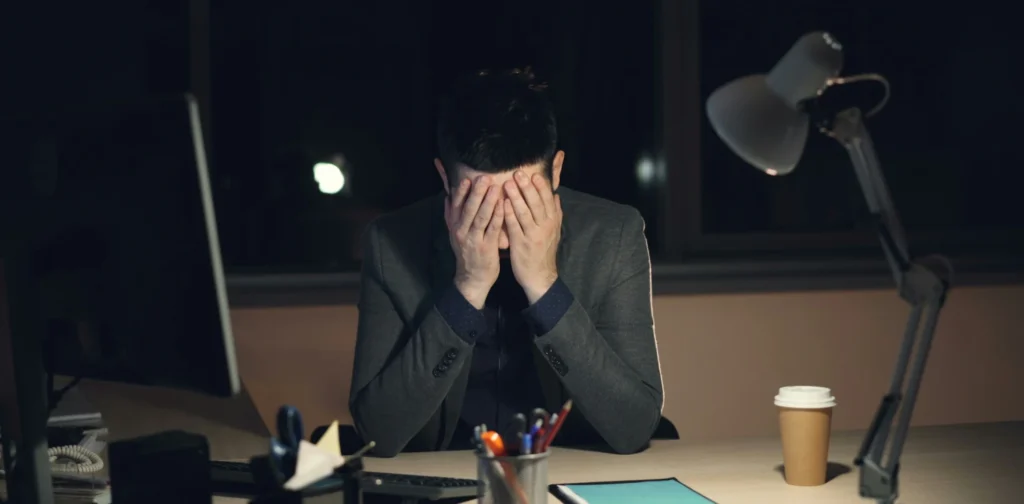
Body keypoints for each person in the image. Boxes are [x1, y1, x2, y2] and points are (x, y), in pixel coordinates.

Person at [348, 68, 663, 457]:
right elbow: (378, 433)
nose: (500, 223)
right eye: (478, 201)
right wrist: (467, 287)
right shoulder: (389, 244)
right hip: (448, 473)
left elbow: (634, 426)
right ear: (445, 178)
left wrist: (545, 285)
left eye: (521, 199)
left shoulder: (614, 235)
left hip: (572, 472)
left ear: (556, 172)